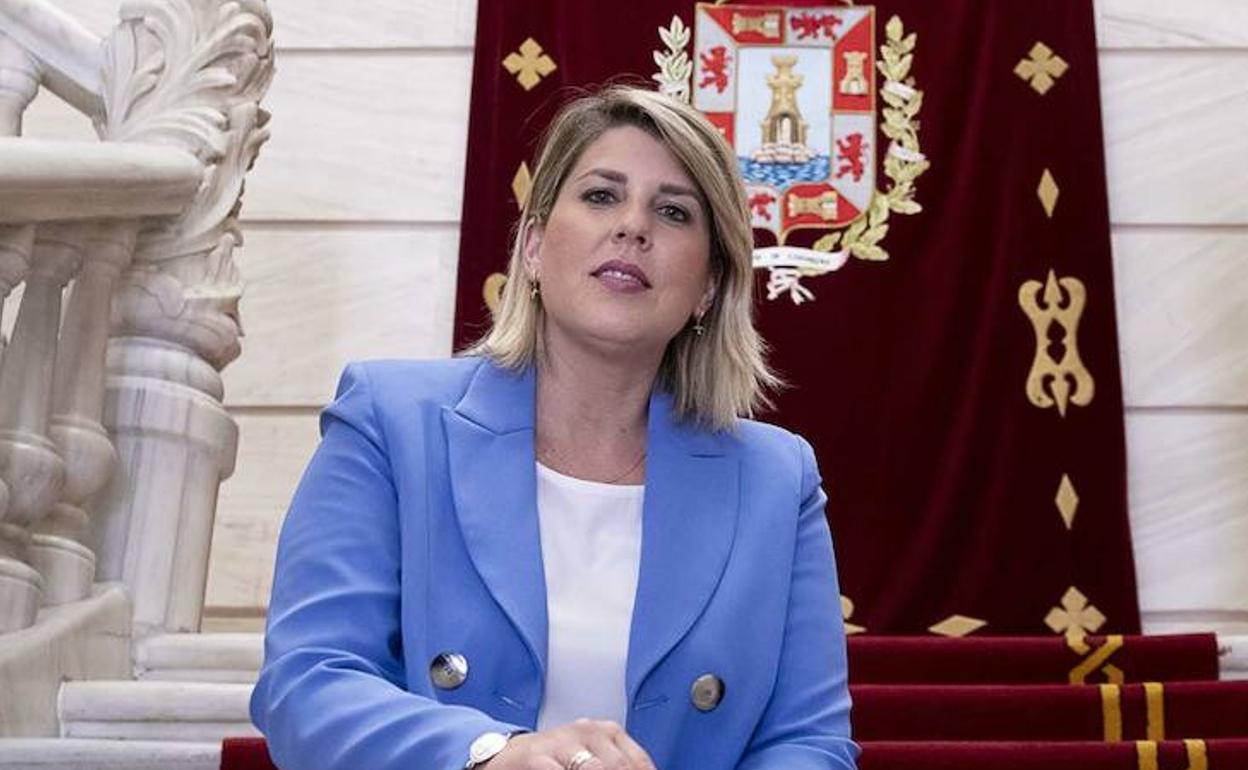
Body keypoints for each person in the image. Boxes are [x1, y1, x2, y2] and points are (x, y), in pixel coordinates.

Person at [249, 85, 858, 770]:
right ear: (534, 246)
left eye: (673, 211)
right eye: (601, 195)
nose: (633, 226)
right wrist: (493, 757)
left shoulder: (778, 479)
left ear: (709, 287)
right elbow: (309, 683)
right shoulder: (388, 420)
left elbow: (808, 744)